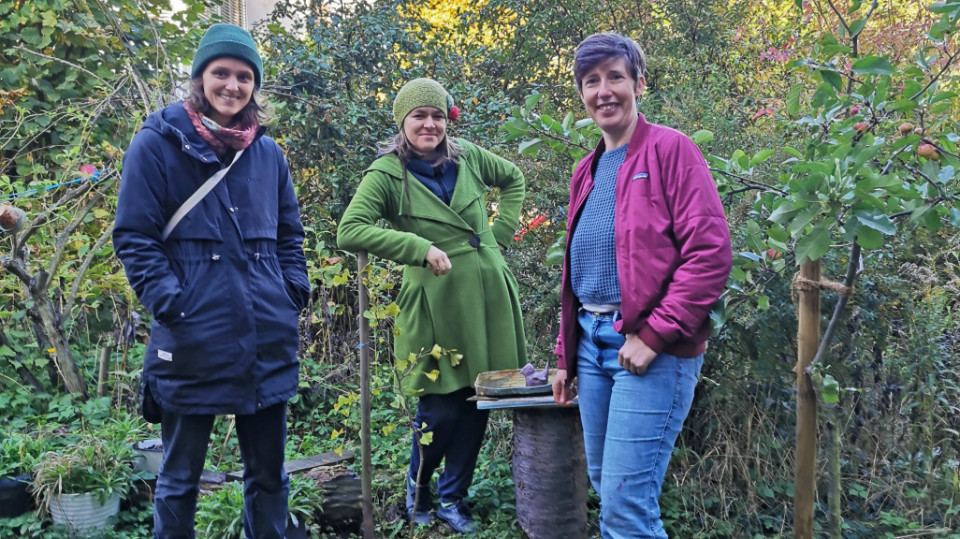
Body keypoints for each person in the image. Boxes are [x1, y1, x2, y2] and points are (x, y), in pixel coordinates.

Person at [113, 23, 309, 538]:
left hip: (266, 333)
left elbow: (291, 234)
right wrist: (172, 304)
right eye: (221, 73)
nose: (232, 85)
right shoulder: (156, 143)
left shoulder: (268, 154)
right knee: (180, 478)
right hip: (191, 335)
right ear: (200, 77)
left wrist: (291, 292)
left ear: (254, 86)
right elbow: (135, 235)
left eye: (244, 76)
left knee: (269, 475)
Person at [551, 33, 732, 538]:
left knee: (626, 506)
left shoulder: (673, 150)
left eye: (615, 77)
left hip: (654, 349)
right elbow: (578, 272)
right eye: (591, 81)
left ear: (639, 84)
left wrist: (652, 336)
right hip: (592, 345)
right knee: (608, 488)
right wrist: (566, 355)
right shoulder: (584, 171)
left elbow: (710, 255)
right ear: (581, 94)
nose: (604, 90)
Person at [337, 78, 526, 534]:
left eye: (437, 115)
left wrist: (498, 238)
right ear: (403, 121)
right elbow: (350, 230)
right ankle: (418, 493)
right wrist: (416, 247)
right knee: (439, 408)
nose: (430, 124)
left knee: (479, 399)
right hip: (435, 302)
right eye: (420, 115)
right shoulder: (386, 173)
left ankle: (453, 499)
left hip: (488, 297)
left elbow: (514, 179)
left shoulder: (468, 156)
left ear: (448, 119)